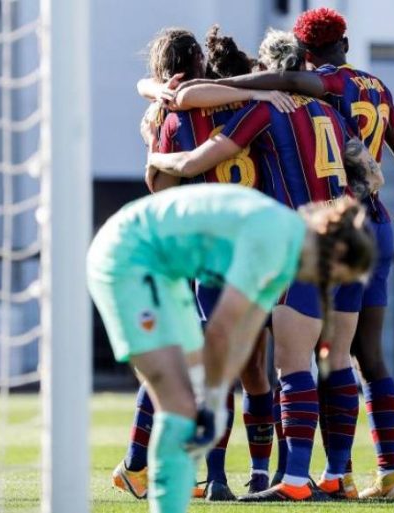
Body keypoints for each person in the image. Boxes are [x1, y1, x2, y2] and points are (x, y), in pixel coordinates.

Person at [190, 10, 394, 498]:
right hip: (363, 226)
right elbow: (380, 165)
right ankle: (352, 471)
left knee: (271, 361)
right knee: (350, 355)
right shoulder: (357, 97)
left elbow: (199, 157)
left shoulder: (287, 97)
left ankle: (276, 475)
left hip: (293, 236)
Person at [147, 30, 383, 503]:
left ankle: (288, 478)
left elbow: (195, 162)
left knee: (284, 364)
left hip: (296, 242)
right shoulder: (332, 114)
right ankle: (336, 473)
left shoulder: (263, 109)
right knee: (335, 360)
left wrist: (154, 155)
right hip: (348, 237)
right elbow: (372, 175)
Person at [88, 184, 377, 513]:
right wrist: (211, 402)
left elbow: (243, 334)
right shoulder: (274, 240)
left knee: (184, 408)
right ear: (335, 253)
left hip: (162, 271)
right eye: (334, 277)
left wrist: (212, 399)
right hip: (129, 256)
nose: (325, 285)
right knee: (181, 407)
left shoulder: (285, 250)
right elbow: (222, 330)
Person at [114, 26, 294, 502]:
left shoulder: (166, 119)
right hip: (249, 247)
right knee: (249, 367)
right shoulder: (248, 107)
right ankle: (249, 473)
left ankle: (195, 472)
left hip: (195, 253)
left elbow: (161, 186)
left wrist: (161, 154)